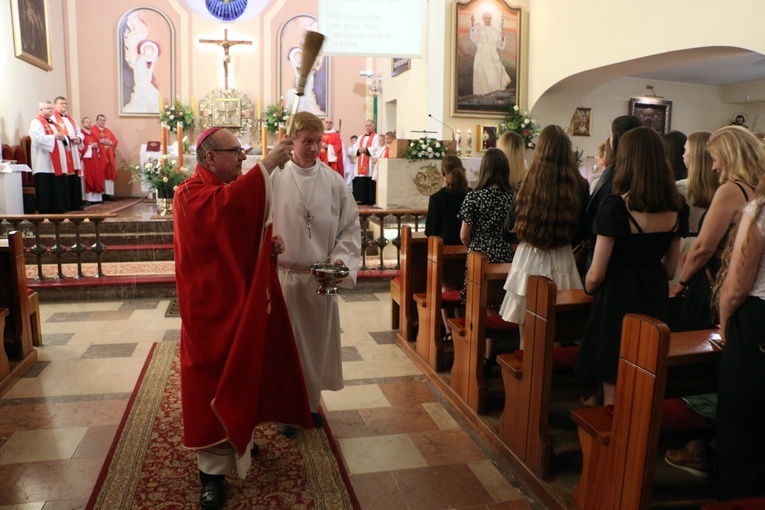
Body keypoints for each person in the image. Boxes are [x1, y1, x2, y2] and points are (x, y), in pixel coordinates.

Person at [173, 127, 312, 510]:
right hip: (209, 311)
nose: (242, 158)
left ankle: (241, 439)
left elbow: (237, 231)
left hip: (240, 301)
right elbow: (224, 210)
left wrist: (266, 246)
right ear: (208, 158)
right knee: (212, 382)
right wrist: (267, 165)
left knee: (249, 368)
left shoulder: (225, 189)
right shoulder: (188, 195)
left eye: (244, 151)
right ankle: (211, 475)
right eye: (235, 152)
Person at [575, 127, 688, 407]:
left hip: (617, 297)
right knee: (644, 372)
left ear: (625, 160)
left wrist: (588, 287)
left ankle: (614, 442)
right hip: (653, 293)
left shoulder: (615, 206)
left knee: (613, 374)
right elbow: (671, 269)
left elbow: (597, 273)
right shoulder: (677, 206)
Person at [271, 111, 361, 433]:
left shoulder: (333, 181)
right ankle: (285, 410)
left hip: (319, 280)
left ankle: (307, 406)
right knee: (286, 350)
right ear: (292, 140)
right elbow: (257, 220)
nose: (314, 148)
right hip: (284, 279)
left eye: (318, 141)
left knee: (313, 349)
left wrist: (340, 260)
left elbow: (349, 229)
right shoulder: (275, 177)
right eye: (307, 141)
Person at [500, 125, 588, 349]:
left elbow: (510, 227)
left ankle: (526, 368)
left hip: (529, 256)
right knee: (558, 328)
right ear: (568, 152)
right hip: (563, 256)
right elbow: (583, 229)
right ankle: (553, 373)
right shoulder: (579, 185)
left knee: (526, 324)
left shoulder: (527, 183)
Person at [671, 126, 762, 331]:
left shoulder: (731, 189)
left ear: (731, 157)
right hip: (748, 278)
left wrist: (682, 281)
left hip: (717, 276)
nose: (713, 167)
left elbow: (704, 247)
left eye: (716, 158)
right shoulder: (758, 188)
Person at [715, 178, 765, 500]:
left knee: (743, 438)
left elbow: (735, 288)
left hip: (757, 325)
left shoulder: (760, 211)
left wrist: (723, 326)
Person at [458, 148, 516, 374]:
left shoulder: (473, 197)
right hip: (506, 256)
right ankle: (491, 354)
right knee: (497, 304)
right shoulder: (513, 197)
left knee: (478, 305)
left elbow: (464, 233)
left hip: (480, 257)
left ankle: (479, 354)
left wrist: (473, 249)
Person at [580, 115, 642, 277]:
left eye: (611, 136)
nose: (609, 140)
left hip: (609, 262)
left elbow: (592, 218)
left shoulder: (614, 177)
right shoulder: (648, 177)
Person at [670, 131, 718, 284]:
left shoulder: (677, 188)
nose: (683, 155)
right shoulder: (722, 189)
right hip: (712, 246)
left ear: (695, 155)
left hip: (682, 247)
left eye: (686, 150)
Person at [29, 100, 70, 213]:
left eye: (52, 108)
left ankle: (57, 206)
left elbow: (63, 136)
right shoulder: (36, 122)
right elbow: (37, 139)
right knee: (45, 183)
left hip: (56, 160)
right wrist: (54, 137)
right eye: (47, 108)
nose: (51, 110)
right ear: (41, 110)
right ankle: (45, 208)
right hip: (44, 160)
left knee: (56, 183)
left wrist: (64, 138)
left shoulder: (53, 123)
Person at [426, 155, 470, 246]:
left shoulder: (437, 198)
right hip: (471, 251)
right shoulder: (473, 195)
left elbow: (430, 231)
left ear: (442, 173)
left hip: (445, 248)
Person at [469, 11, 511, 95]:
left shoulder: (496, 30)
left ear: (491, 19)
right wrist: (472, 24)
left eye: (489, 18)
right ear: (482, 18)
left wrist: (502, 39)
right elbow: (474, 39)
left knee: (493, 75)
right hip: (481, 55)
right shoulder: (478, 28)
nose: (488, 20)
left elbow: (499, 45)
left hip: (492, 56)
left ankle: (494, 94)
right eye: (486, 18)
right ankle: (481, 95)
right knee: (482, 75)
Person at [53, 96, 83, 210]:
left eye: (65, 103)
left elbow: (80, 133)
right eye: (61, 103)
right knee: (65, 175)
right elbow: (56, 134)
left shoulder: (71, 119)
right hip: (63, 151)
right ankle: (67, 204)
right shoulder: (53, 119)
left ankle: (76, 203)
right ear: (55, 105)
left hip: (73, 150)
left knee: (74, 176)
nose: (64, 105)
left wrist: (78, 138)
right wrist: (68, 138)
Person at [123, 40, 161, 113]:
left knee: (155, 95)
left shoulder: (142, 60)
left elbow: (147, 75)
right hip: (142, 86)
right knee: (154, 95)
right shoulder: (140, 61)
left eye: (152, 51)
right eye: (150, 51)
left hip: (144, 84)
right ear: (145, 51)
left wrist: (153, 62)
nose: (152, 53)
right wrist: (153, 63)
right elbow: (147, 79)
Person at [78, 117, 104, 204]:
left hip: (95, 159)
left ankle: (96, 198)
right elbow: (80, 148)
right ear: (83, 123)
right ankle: (86, 198)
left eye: (90, 122)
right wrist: (90, 146)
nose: (89, 123)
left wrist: (97, 147)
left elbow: (99, 146)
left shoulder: (93, 135)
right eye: (86, 122)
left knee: (96, 176)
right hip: (86, 160)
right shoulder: (81, 135)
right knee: (87, 177)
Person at [93, 114, 118, 200]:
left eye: (104, 120)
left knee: (109, 173)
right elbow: (90, 141)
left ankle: (108, 193)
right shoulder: (93, 130)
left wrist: (110, 142)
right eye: (100, 120)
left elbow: (115, 140)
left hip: (109, 156)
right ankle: (101, 193)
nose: (102, 122)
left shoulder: (108, 131)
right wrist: (100, 141)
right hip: (99, 157)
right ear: (96, 121)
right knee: (101, 173)